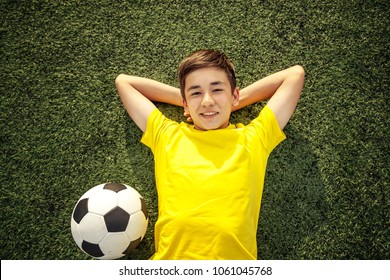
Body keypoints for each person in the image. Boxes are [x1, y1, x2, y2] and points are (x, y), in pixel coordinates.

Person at [115, 49, 305, 260]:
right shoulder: (167, 135)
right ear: (185, 101)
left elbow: (295, 75)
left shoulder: (254, 138)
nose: (207, 101)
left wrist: (232, 103)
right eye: (196, 92)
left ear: (235, 94)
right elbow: (124, 83)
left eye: (217, 90)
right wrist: (195, 102)